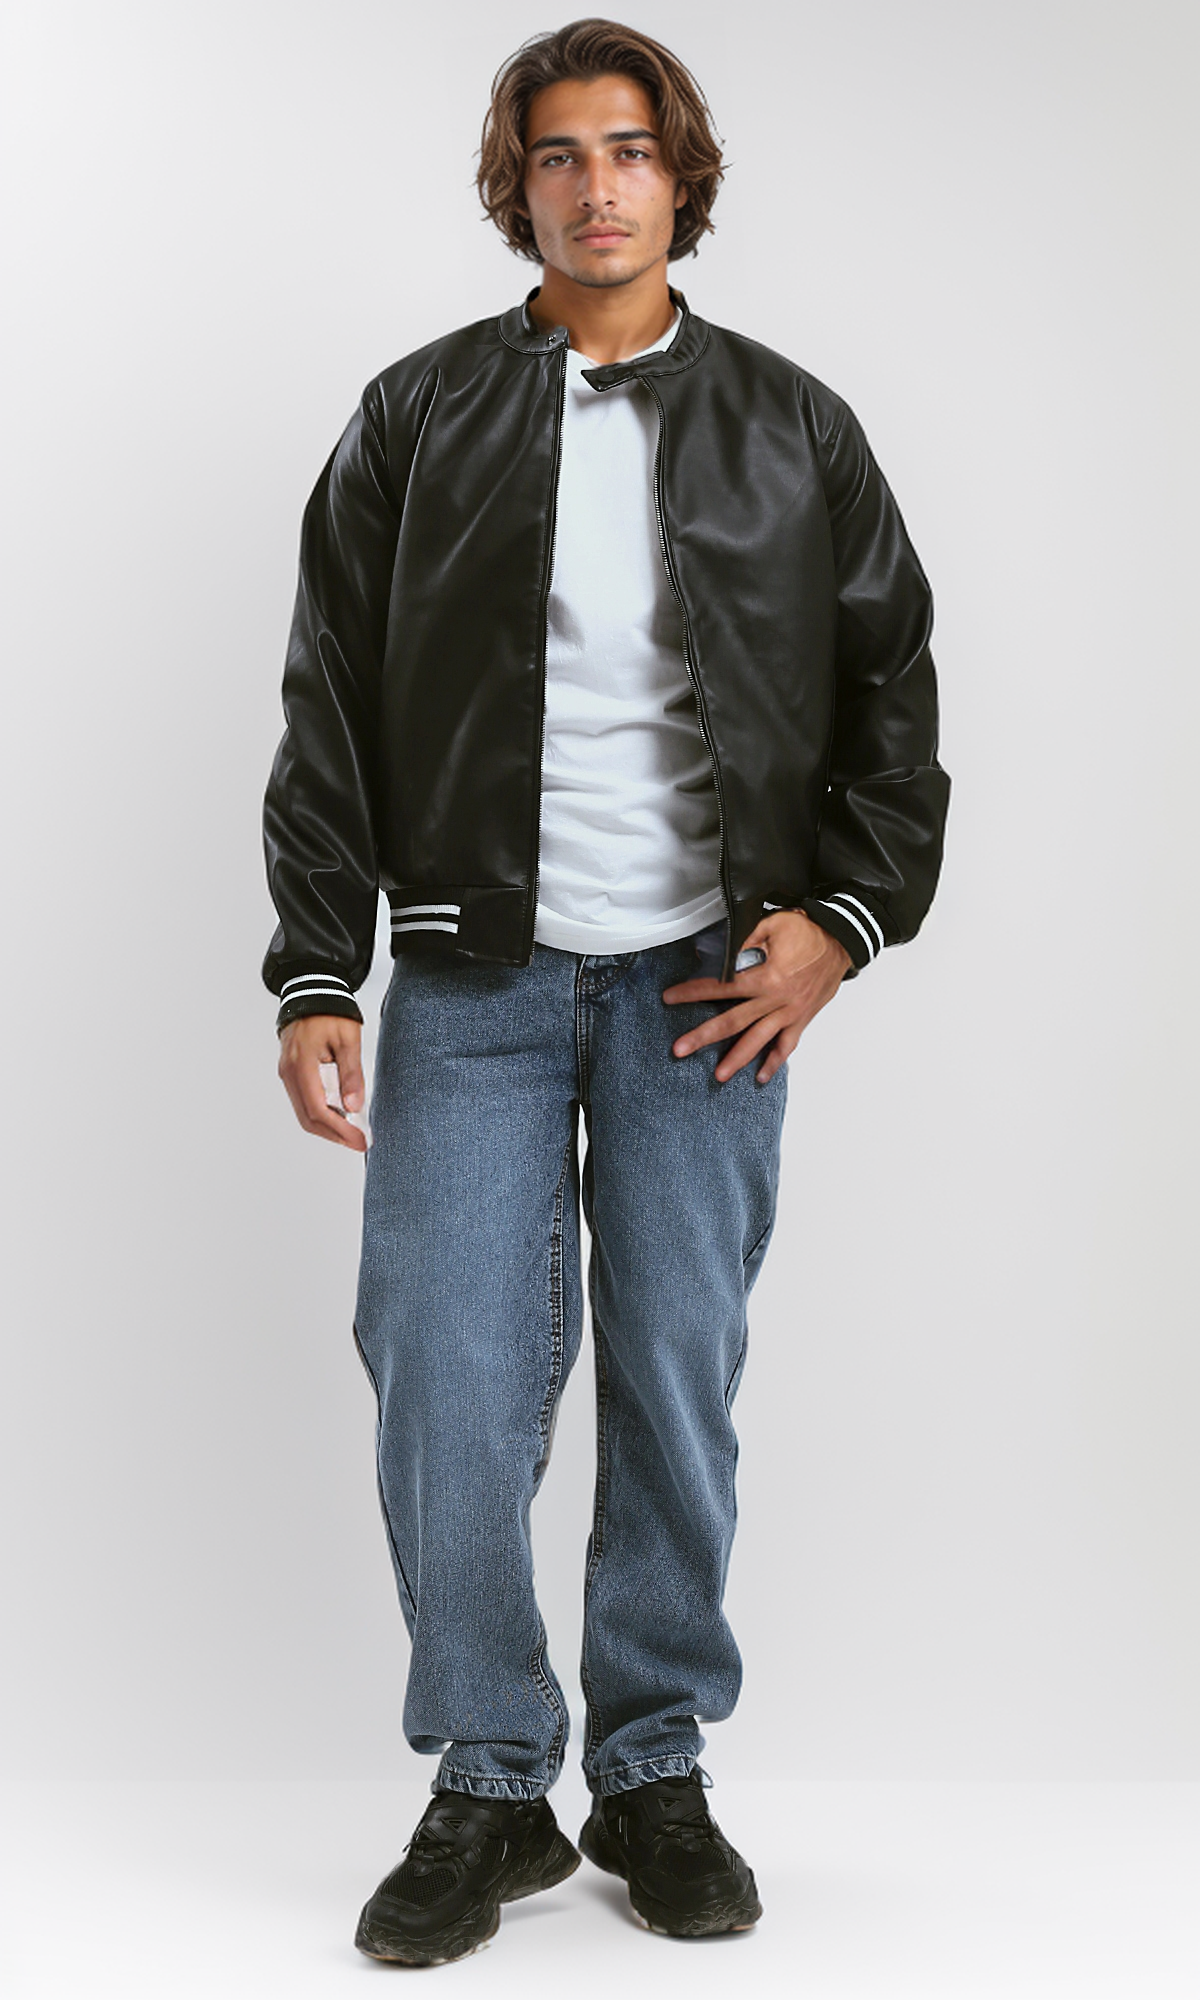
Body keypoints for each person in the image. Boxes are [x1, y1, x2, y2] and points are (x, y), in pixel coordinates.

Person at [262, 16, 949, 1968]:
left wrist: (842, 919)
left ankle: (652, 1765)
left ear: (680, 176)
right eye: (558, 154)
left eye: (630, 149)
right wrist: (316, 965)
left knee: (674, 1379)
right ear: (520, 188)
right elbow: (329, 705)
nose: (596, 186)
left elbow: (895, 693)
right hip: (472, 971)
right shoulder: (416, 418)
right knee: (446, 1374)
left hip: (708, 983)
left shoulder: (795, 427)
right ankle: (494, 1775)